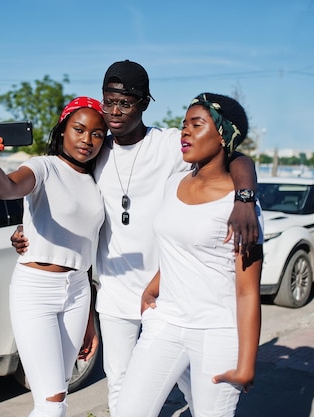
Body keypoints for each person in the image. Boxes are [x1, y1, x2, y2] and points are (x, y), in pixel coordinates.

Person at [12, 60, 260, 416]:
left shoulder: (170, 144)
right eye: (108, 101)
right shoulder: (96, 148)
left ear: (144, 103)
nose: (113, 112)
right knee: (122, 389)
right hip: (113, 295)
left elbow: (235, 156)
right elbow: (59, 193)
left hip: (165, 295)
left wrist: (245, 197)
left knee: (195, 389)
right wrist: (27, 229)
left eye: (125, 103)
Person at [114, 92, 264, 417]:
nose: (185, 132)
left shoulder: (241, 208)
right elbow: (177, 248)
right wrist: (153, 286)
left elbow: (248, 289)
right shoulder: (174, 183)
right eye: (184, 125)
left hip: (216, 332)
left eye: (197, 125)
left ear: (223, 135)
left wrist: (247, 363)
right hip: (165, 322)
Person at [0, 97, 106, 417]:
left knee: (58, 391)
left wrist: (89, 318)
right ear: (62, 131)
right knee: (51, 403)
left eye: (97, 134)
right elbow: (6, 188)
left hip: (77, 292)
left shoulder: (95, 182)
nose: (87, 140)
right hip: (37, 290)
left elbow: (85, 248)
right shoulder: (42, 167)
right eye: (79, 129)